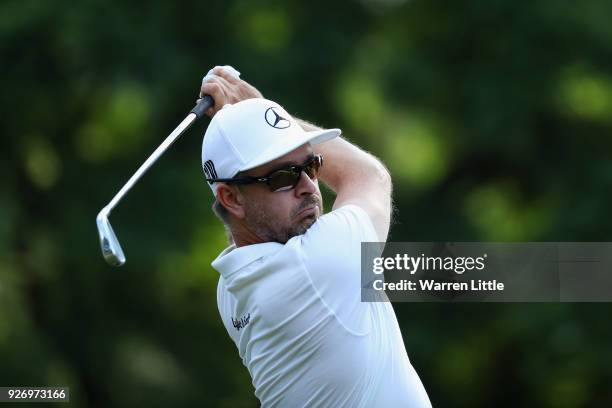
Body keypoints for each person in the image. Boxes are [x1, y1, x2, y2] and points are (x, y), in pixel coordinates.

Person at [199, 66, 431, 407]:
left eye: (312, 165)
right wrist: (260, 105)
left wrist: (265, 120)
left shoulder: (230, 289)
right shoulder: (316, 265)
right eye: (282, 177)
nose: (309, 187)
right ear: (231, 198)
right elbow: (369, 176)